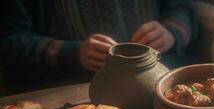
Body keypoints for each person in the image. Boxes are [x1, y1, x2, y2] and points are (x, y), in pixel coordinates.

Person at [0, 0, 197, 93]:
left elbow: (183, 8)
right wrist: (70, 52)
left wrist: (171, 33)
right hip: (66, 91)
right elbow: (8, 40)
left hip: (159, 85)